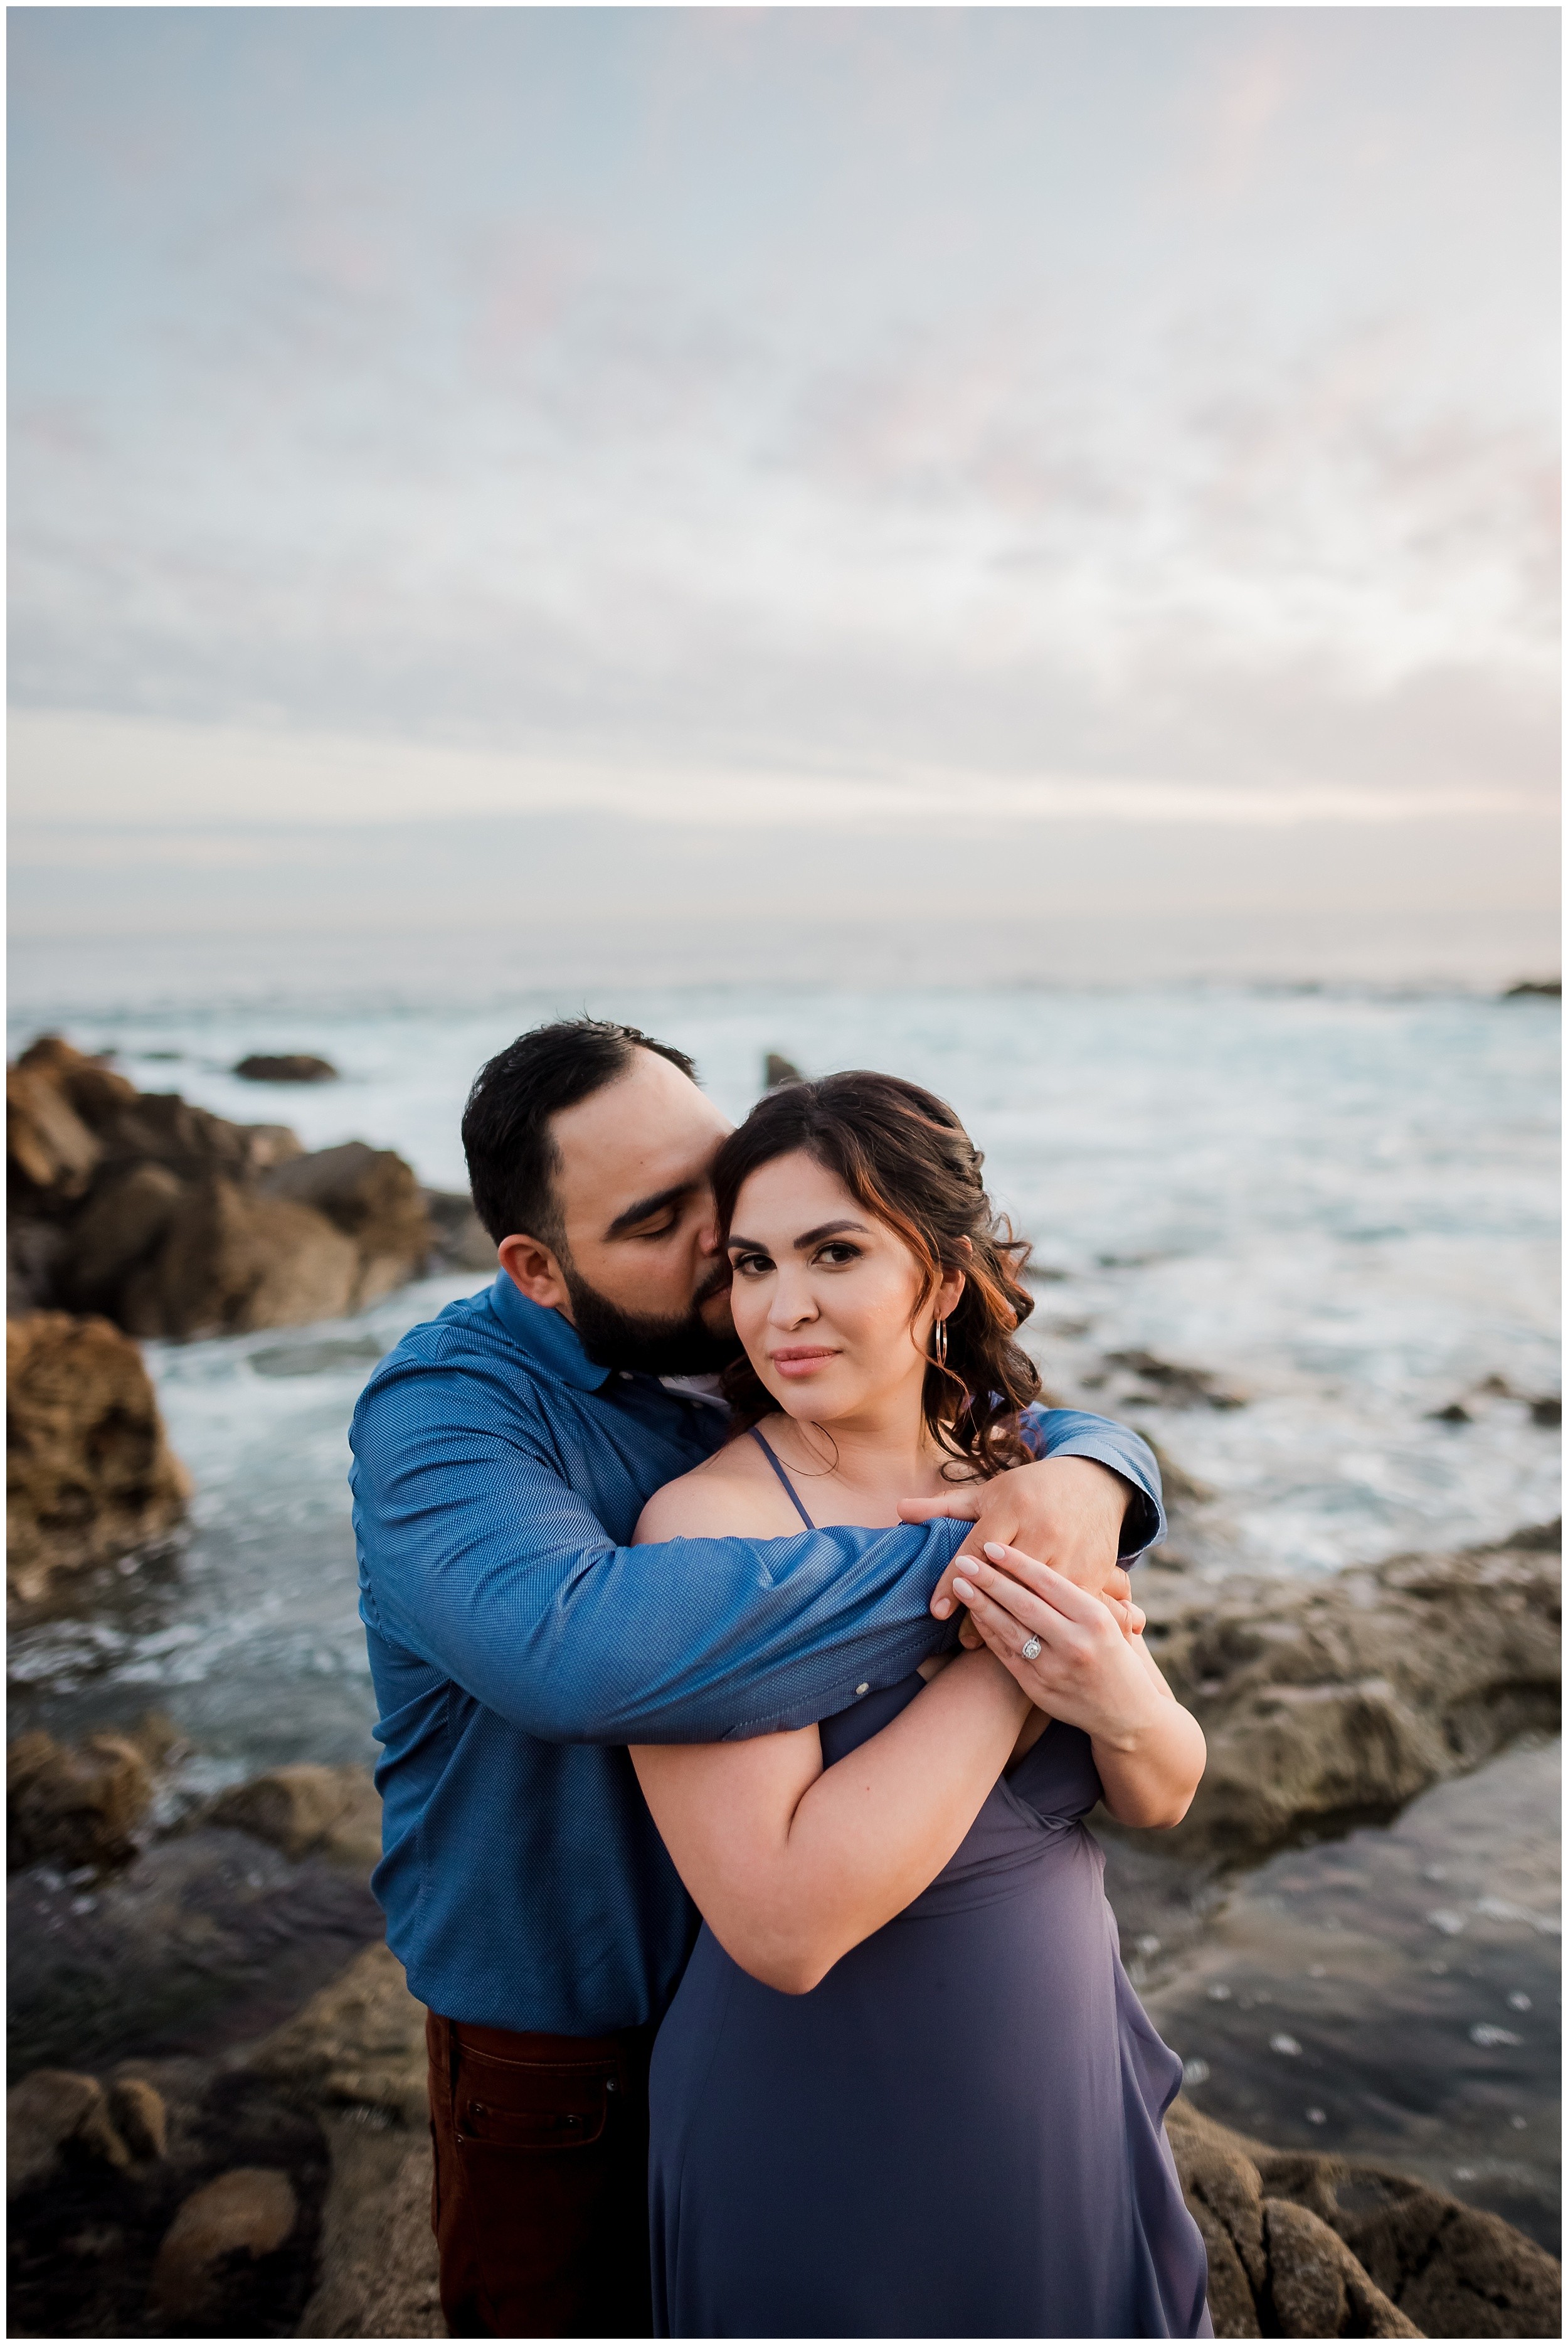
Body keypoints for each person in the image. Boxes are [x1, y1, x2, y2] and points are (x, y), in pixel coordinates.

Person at [349, 1018, 1167, 2339]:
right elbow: (576, 1651)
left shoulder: (732, 1355)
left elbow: (953, 1407)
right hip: (571, 2044)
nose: (728, 1236)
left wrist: (1091, 1466)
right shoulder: (446, 1415)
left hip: (821, 2019)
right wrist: (1003, 1587)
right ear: (538, 1269)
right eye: (664, 1216)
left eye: (717, 1176)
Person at [633, 1070, 1210, 2338]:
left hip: (1060, 2107)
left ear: (939, 1282)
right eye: (749, 1262)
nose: (781, 1308)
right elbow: (781, 1928)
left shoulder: (1027, 1484)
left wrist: (1116, 1696)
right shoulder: (706, 1533)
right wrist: (1008, 1660)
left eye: (833, 1253)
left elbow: (1160, 1788)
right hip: (828, 2148)